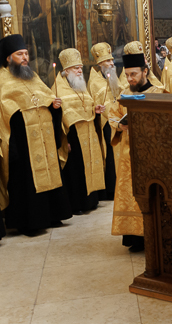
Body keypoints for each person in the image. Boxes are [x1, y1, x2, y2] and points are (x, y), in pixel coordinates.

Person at [0, 34, 71, 234]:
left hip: (44, 135)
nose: (25, 58)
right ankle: (30, 222)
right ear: (8, 58)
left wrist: (54, 106)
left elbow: (46, 97)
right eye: (19, 54)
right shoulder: (2, 79)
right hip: (22, 140)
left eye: (26, 53)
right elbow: (4, 110)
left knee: (50, 171)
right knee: (26, 179)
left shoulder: (32, 76)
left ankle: (53, 214)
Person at [109, 52, 165, 252]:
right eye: (127, 75)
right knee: (130, 194)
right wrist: (119, 125)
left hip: (152, 154)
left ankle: (154, 237)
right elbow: (112, 115)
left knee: (151, 194)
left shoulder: (159, 92)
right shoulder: (124, 94)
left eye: (133, 74)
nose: (130, 79)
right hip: (128, 155)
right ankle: (135, 238)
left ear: (145, 72)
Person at [55, 48, 106, 214]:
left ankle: (92, 200)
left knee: (90, 166)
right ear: (66, 70)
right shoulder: (58, 89)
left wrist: (95, 110)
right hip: (73, 137)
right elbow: (58, 117)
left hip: (89, 133)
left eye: (80, 68)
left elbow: (87, 105)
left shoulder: (81, 87)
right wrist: (64, 141)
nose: (79, 71)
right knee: (76, 171)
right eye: (75, 68)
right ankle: (78, 204)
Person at [87, 42, 128, 199]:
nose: (111, 63)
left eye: (111, 60)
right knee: (110, 154)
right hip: (106, 124)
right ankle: (112, 188)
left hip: (119, 119)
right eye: (107, 61)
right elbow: (94, 104)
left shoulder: (114, 78)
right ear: (100, 64)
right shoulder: (94, 81)